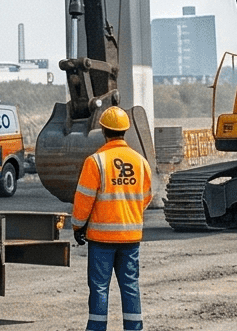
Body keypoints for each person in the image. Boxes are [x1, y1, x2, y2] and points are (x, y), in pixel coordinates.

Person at [72, 105, 152, 331]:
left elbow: (83, 200)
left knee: (99, 288)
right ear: (125, 130)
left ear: (103, 130)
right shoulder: (140, 161)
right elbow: (145, 197)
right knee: (130, 286)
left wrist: (78, 226)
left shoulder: (96, 162)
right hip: (131, 238)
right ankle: (134, 328)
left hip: (102, 240)